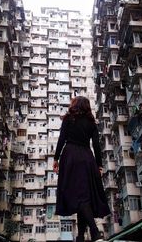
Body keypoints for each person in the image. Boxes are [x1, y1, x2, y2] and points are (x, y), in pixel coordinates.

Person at [53, 96, 110, 242]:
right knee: (83, 197)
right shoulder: (91, 122)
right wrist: (99, 165)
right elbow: (96, 145)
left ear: (75, 105)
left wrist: (56, 159)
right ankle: (80, 236)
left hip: (70, 157)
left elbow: (61, 139)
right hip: (86, 158)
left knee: (81, 198)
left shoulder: (68, 119)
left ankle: (95, 232)